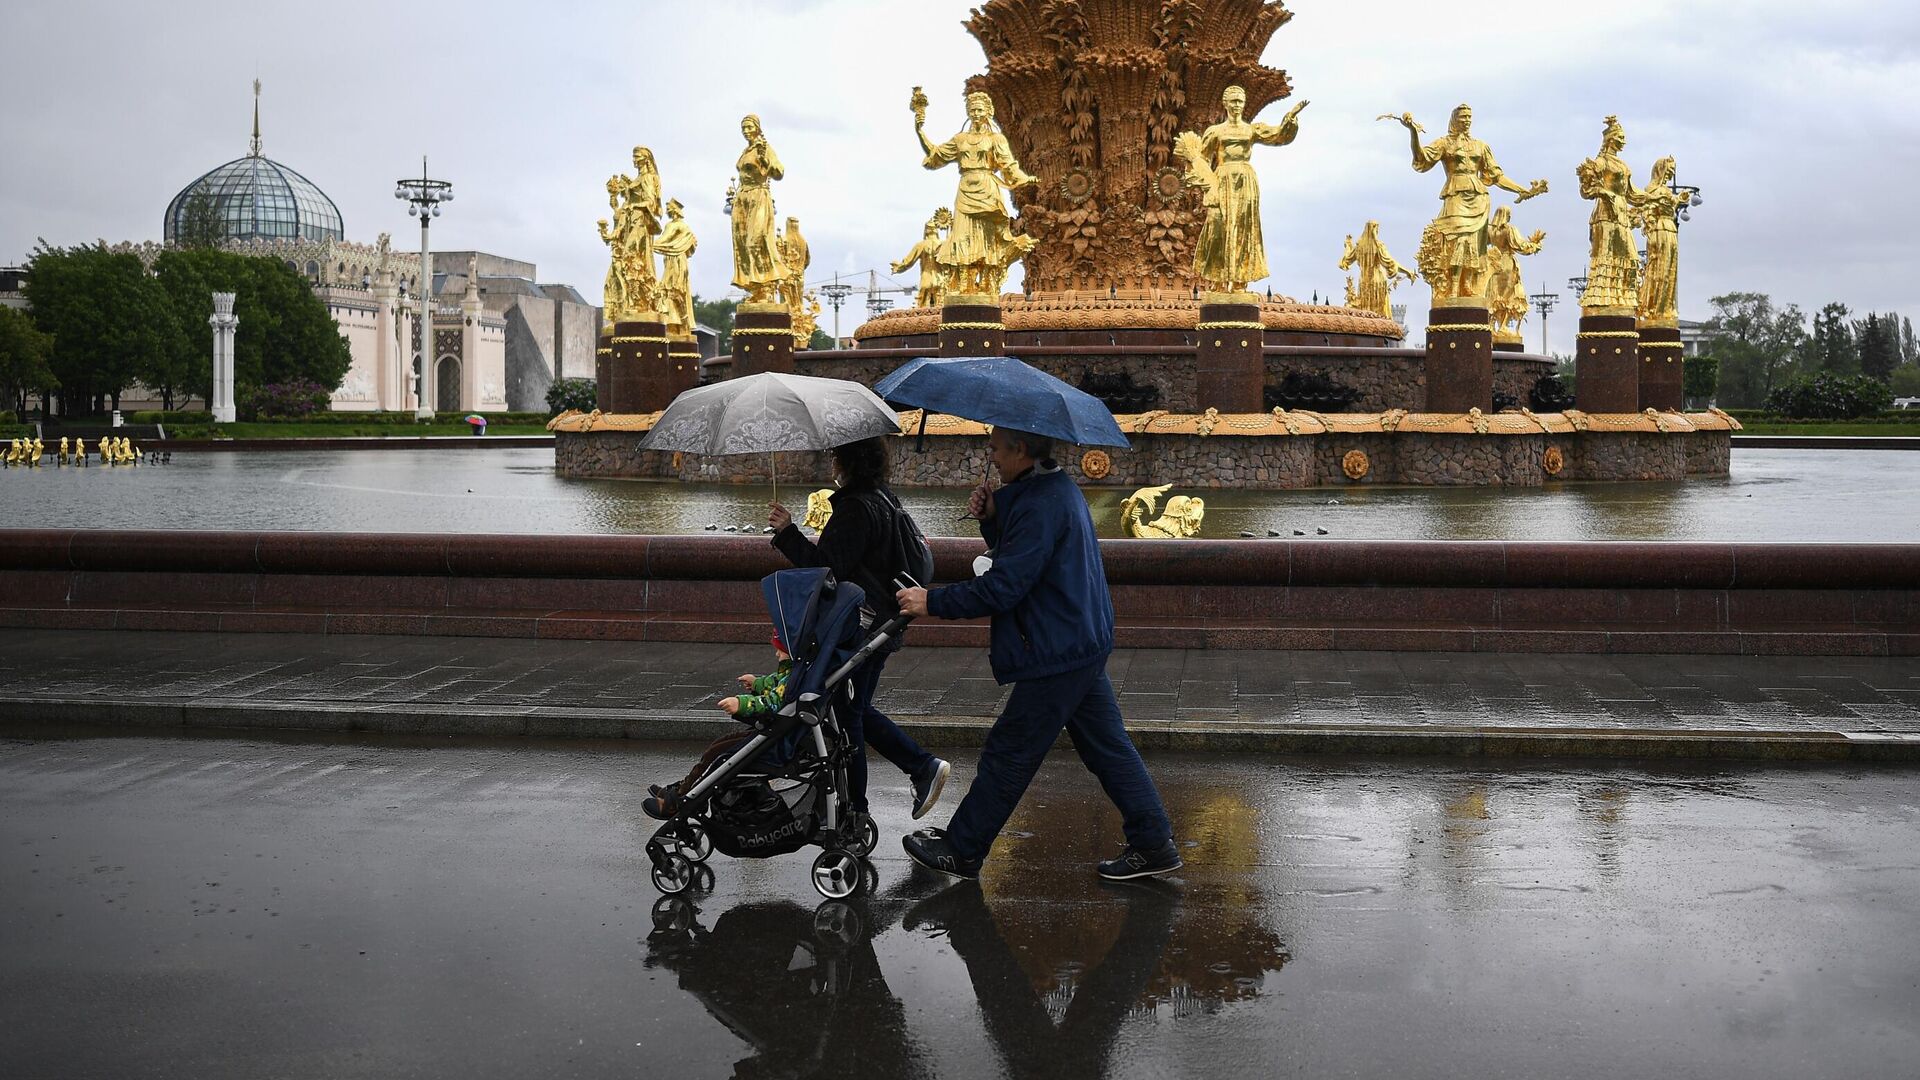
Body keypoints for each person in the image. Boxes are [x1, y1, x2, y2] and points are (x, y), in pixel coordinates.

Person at [895, 427, 1179, 881]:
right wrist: (992, 516)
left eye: (995, 448)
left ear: (1020, 449)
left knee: (1011, 750)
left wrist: (932, 601)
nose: (991, 455)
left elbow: (1006, 585)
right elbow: (1026, 550)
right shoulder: (1051, 488)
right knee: (1107, 748)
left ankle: (963, 849)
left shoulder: (1041, 502)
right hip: (1079, 639)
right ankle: (1153, 842)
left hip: (1057, 647)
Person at [768, 437, 951, 822]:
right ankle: (914, 771)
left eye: (836, 456)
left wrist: (786, 532)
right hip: (883, 621)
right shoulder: (883, 497)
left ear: (847, 461)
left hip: (861, 627)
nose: (832, 462)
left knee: (848, 714)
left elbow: (827, 568)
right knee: (854, 708)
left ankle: (858, 808)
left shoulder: (854, 507)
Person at [642, 634, 792, 820]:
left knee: (719, 757)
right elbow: (776, 683)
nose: (777, 654)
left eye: (780, 649)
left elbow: (773, 702)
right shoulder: (795, 671)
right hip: (777, 732)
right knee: (719, 746)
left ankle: (679, 803)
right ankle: (684, 788)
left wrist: (741, 704)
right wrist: (757, 682)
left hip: (778, 739)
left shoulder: (794, 674)